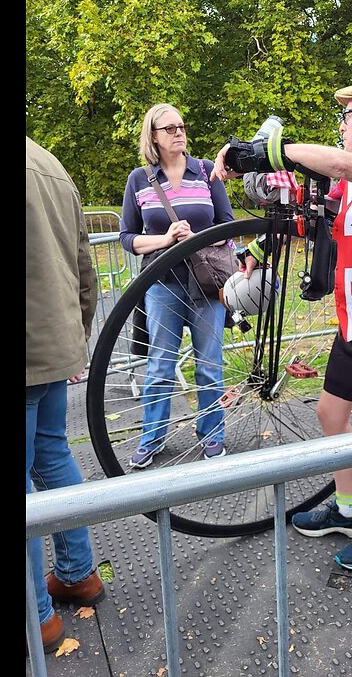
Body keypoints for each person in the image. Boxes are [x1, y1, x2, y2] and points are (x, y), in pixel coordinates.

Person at [212, 80, 352, 570]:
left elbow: (337, 162)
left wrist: (267, 152)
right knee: (331, 414)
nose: (341, 126)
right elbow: (314, 221)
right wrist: (256, 251)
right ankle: (347, 508)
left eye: (349, 115)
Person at [119, 103, 234, 467]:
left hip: (205, 283)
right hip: (162, 283)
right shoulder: (139, 179)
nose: (179, 133)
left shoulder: (206, 171)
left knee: (209, 366)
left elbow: (228, 226)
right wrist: (165, 239)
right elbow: (127, 237)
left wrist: (197, 237)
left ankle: (212, 434)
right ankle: (152, 438)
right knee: (160, 366)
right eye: (169, 128)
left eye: (182, 126)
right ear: (152, 135)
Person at [26, 136, 106, 652]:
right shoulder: (49, 162)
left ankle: (35, 617)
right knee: (53, 454)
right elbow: (84, 266)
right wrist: (73, 339)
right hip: (52, 343)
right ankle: (79, 574)